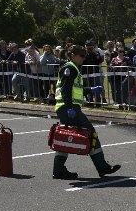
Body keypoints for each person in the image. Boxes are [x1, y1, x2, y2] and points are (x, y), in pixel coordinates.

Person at [52, 45, 121, 179]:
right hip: (69, 108)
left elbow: (76, 89)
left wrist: (91, 90)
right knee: (91, 134)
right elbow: (66, 90)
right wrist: (70, 107)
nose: (83, 58)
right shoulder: (70, 68)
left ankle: (58, 169)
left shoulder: (73, 68)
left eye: (84, 56)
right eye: (81, 55)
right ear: (73, 55)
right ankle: (102, 167)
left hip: (66, 108)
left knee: (64, 136)